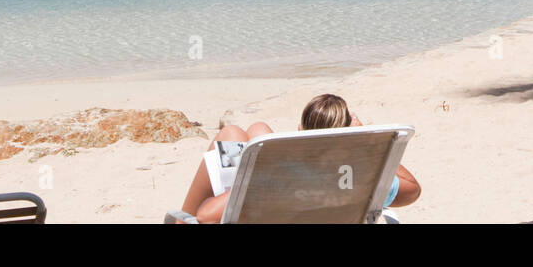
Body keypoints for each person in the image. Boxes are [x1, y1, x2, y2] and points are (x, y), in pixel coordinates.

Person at [179, 93, 420, 223]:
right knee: (258, 129)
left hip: (273, 197)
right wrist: (367, 142)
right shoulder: (363, 177)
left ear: (300, 131)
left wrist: (245, 182)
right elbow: (412, 190)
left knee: (232, 134)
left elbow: (205, 216)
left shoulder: (278, 171)